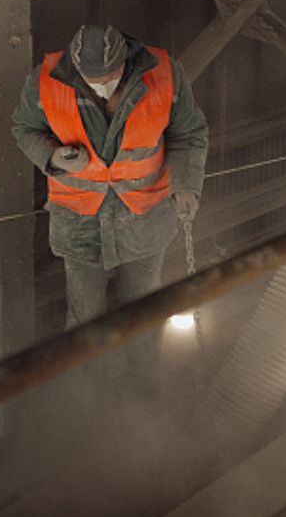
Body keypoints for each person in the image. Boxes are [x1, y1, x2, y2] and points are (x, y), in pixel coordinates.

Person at [11, 24, 208, 329]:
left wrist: (186, 187)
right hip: (79, 223)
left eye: (108, 80)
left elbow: (188, 135)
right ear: (75, 69)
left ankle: (141, 375)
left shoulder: (166, 75)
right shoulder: (45, 80)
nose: (101, 88)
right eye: (92, 82)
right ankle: (90, 377)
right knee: (84, 319)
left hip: (144, 217)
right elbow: (24, 129)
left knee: (144, 313)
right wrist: (52, 156)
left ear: (126, 62)